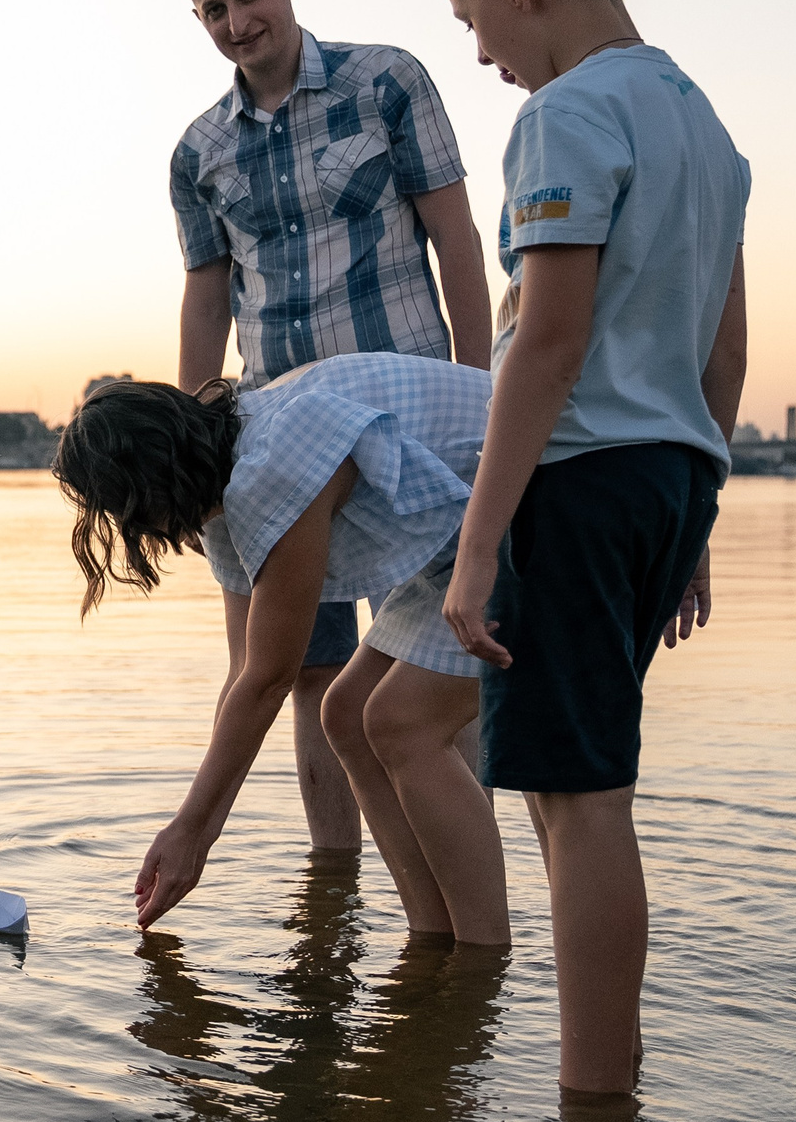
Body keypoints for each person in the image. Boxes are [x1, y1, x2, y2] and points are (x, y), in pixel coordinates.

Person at [432, 0, 749, 1099]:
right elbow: (724, 349)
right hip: (666, 475)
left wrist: (476, 543)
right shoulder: (701, 122)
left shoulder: (565, 115)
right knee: (577, 784)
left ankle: (592, 1118)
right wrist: (697, 510)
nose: (481, 55)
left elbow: (548, 339)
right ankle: (610, 1069)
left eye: (472, 20)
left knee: (579, 800)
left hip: (574, 480)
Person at [169, 0, 495, 860]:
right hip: (276, 448)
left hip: (404, 433)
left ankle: (458, 889)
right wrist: (194, 443)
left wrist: (483, 392)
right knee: (302, 675)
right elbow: (206, 297)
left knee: (431, 670)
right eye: (213, 10)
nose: (237, 23)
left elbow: (456, 239)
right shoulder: (197, 153)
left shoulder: (386, 82)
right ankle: (333, 893)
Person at [53, 355, 507, 945]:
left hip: (533, 503)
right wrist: (195, 826)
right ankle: (431, 943)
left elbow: (270, 679)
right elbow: (245, 672)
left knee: (402, 724)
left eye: (123, 507)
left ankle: (481, 958)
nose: (131, 525)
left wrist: (193, 831)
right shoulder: (228, 490)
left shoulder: (275, 461)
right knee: (346, 713)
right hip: (457, 543)